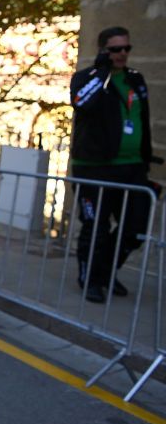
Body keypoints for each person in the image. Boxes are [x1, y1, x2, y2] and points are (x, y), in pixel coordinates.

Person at [69, 26, 155, 304]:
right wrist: (102, 72)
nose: (122, 54)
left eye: (126, 49)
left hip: (132, 167)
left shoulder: (135, 79)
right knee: (96, 226)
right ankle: (91, 278)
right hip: (94, 167)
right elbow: (82, 103)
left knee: (135, 228)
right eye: (116, 49)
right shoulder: (87, 78)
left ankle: (105, 271)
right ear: (104, 50)